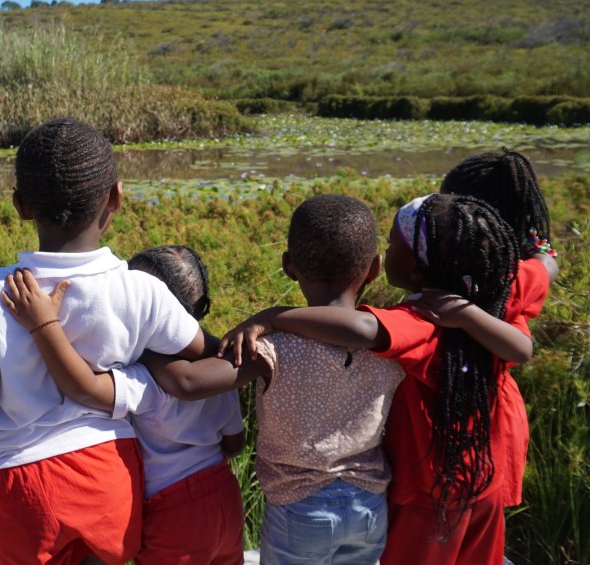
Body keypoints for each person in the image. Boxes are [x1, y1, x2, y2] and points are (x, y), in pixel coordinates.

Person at [0, 118, 207, 565]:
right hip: (108, 477)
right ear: (116, 196)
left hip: (18, 487)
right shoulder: (142, 290)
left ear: (21, 206)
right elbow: (202, 351)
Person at [220, 193, 534, 565]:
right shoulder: (491, 309)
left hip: (430, 489)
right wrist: (468, 315)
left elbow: (363, 329)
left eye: (392, 244)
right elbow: (523, 346)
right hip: (487, 476)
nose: (386, 252)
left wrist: (274, 317)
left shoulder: (419, 319)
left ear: (416, 269)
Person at [1, 245, 246, 565]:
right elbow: (236, 443)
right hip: (224, 495)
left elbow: (85, 388)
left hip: (172, 512)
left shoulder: (148, 379)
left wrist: (45, 325)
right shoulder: (218, 374)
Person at [440, 149, 559, 510]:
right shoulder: (515, 279)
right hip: (499, 420)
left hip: (443, 423)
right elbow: (547, 262)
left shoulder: (439, 278)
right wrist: (533, 237)